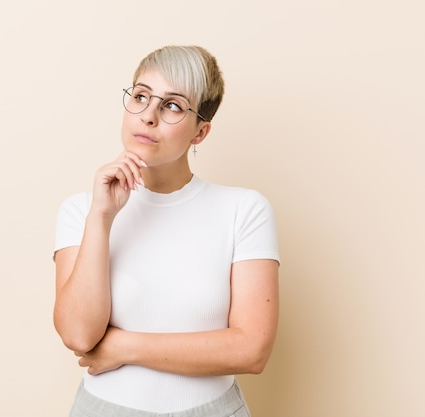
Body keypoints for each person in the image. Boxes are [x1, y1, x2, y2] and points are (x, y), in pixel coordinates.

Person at [53, 45, 280, 417]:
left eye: (173, 105)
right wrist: (102, 218)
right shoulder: (81, 211)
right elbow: (79, 336)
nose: (148, 117)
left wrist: (124, 347)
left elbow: (252, 350)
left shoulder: (243, 210)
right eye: (140, 96)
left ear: (200, 133)